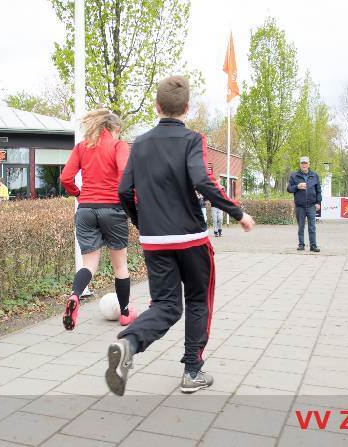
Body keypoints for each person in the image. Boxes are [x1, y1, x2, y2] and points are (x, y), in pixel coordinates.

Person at [106, 76, 255, 396]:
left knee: (166, 305)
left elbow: (123, 191)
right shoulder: (192, 140)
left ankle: (129, 342)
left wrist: (142, 223)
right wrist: (238, 213)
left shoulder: (139, 144)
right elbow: (202, 180)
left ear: (156, 106)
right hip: (191, 240)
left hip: (155, 241)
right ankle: (192, 372)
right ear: (186, 108)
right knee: (199, 300)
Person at [59, 108, 137, 331]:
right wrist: (134, 204)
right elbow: (125, 176)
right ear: (115, 128)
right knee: (120, 265)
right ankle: (125, 313)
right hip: (112, 209)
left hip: (86, 210)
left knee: (89, 265)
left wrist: (77, 193)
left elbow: (65, 178)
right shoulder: (119, 146)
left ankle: (75, 295)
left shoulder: (82, 147)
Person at [287, 156, 322, 252]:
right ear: (300, 164)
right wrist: (297, 186)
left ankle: (313, 246)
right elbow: (289, 189)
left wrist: (318, 202)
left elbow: (318, 190)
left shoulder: (314, 175)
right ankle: (301, 245)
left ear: (309, 164)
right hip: (300, 206)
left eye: (306, 163)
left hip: (311, 205)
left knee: (312, 227)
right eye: (302, 163)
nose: (304, 165)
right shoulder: (294, 176)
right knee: (301, 226)